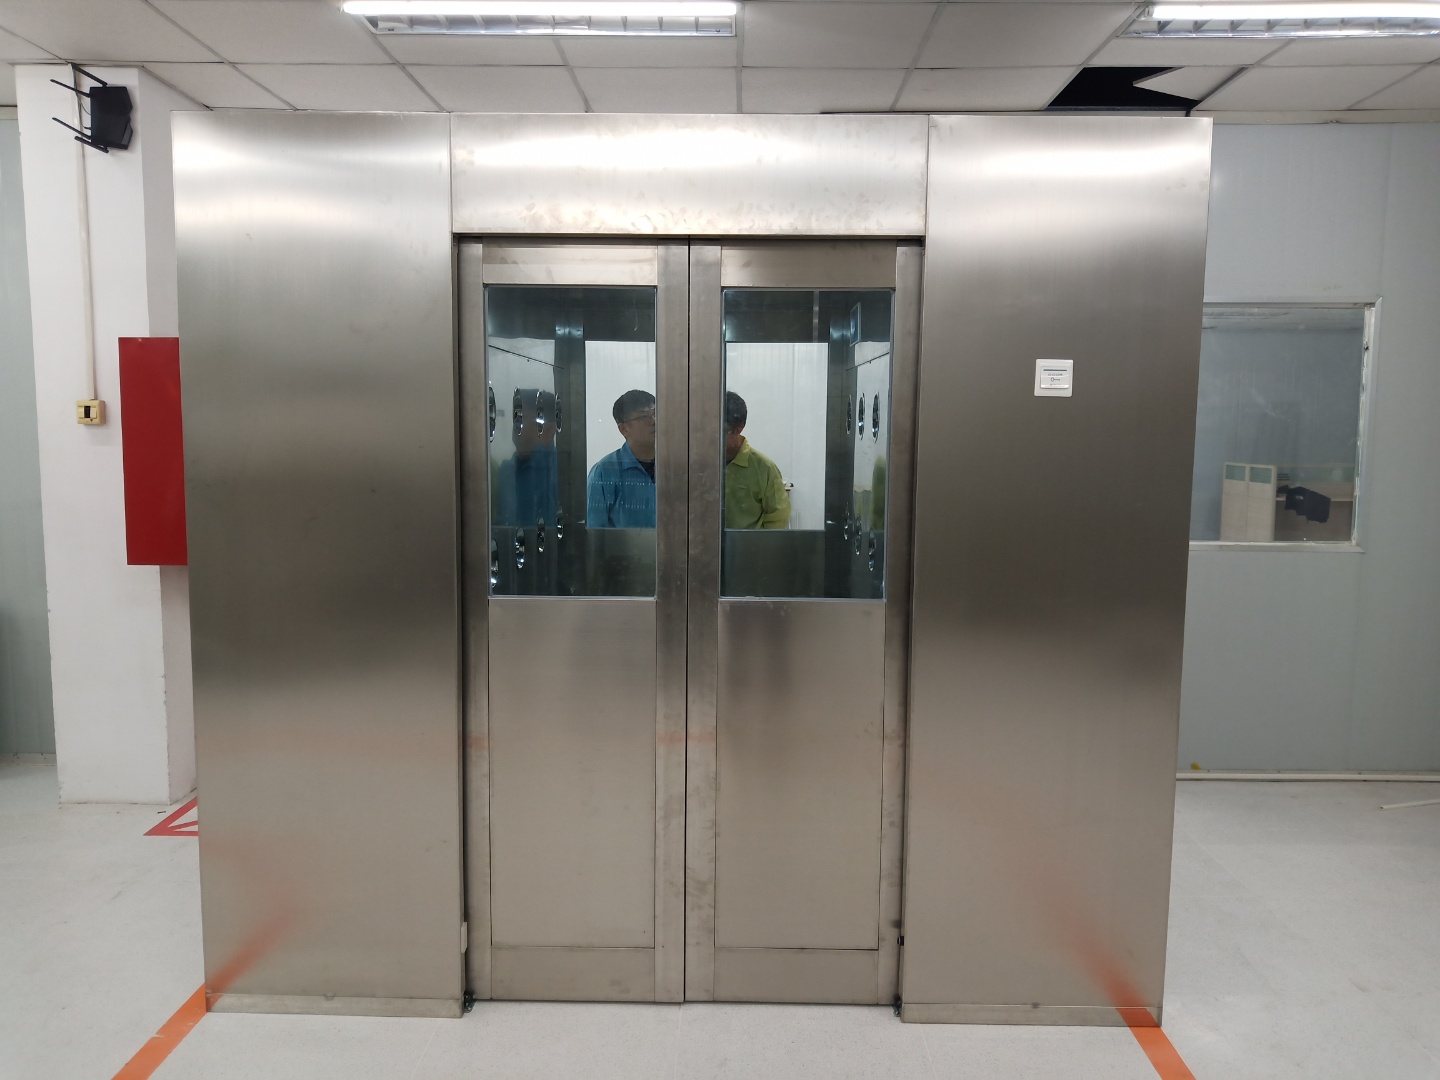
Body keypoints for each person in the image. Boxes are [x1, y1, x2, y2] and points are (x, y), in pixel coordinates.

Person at [586, 389, 657, 528]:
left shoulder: (674, 465)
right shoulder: (604, 472)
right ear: (623, 429)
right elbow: (595, 533)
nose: (654, 421)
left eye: (655, 414)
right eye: (644, 417)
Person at [723, 390, 790, 529]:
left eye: (721, 431)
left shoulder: (764, 469)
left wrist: (758, 542)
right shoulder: (698, 463)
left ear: (738, 428)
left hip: (748, 543)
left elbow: (778, 518)